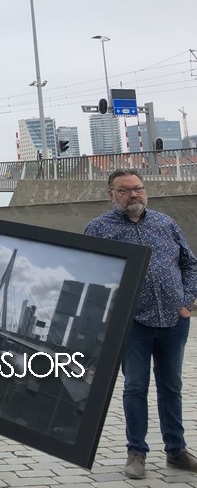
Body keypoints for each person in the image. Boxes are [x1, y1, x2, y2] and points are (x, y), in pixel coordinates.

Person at [85, 168, 197, 479]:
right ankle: (136, 453)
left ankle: (176, 451)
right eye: (125, 190)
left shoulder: (165, 223)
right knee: (135, 386)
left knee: (171, 386)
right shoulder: (99, 228)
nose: (134, 194)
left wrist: (186, 302)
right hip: (132, 324)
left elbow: (190, 264)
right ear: (112, 194)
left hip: (173, 322)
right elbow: (91, 273)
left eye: (138, 188)